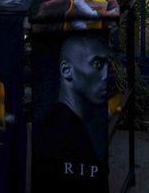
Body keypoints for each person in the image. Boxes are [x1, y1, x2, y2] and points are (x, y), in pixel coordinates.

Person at [36, 34, 111, 164]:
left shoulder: (71, 127)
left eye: (106, 65)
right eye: (97, 64)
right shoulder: (60, 134)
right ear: (66, 70)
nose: (106, 75)